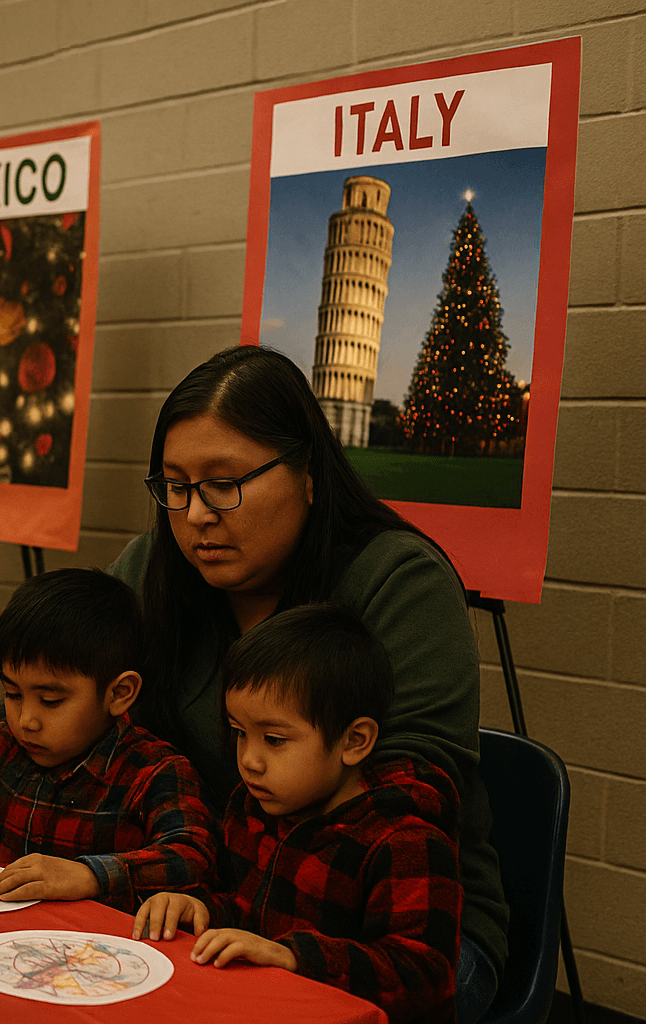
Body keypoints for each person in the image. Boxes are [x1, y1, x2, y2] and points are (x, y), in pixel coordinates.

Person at [110, 345, 506, 1022]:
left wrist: (276, 938)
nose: (197, 514)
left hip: (395, 940)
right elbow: (67, 679)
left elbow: (414, 791)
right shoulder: (159, 562)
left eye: (224, 483)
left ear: (309, 475)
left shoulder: (397, 578)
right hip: (234, 904)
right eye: (175, 486)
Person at [134, 604, 461, 1024]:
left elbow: (423, 975)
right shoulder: (256, 805)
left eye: (273, 739)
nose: (250, 760)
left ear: (354, 741)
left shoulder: (404, 839)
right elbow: (242, 910)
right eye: (239, 733)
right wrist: (198, 909)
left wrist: (294, 956)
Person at [0, 568, 216, 913]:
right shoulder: (4, 747)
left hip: (98, 956)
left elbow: (192, 857)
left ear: (119, 693)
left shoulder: (156, 772)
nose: (26, 721)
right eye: (12, 693)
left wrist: (88, 875)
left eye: (51, 701)